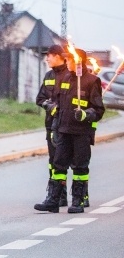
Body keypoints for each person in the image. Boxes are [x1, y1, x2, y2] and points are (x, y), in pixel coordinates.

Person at [34, 47, 105, 213]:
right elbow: (56, 102)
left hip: (81, 132)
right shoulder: (65, 77)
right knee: (58, 165)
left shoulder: (91, 81)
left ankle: (78, 201)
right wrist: (54, 120)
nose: (68, 62)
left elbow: (99, 109)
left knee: (80, 167)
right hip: (63, 130)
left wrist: (86, 114)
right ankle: (53, 200)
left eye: (70, 60)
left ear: (78, 61)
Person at [35, 44, 68, 207]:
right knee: (53, 159)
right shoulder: (48, 75)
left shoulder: (70, 75)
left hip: (67, 125)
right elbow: (39, 99)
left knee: (68, 160)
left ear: (58, 56)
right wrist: (49, 106)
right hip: (51, 124)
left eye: (49, 55)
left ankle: (80, 195)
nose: (47, 58)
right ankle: (58, 195)